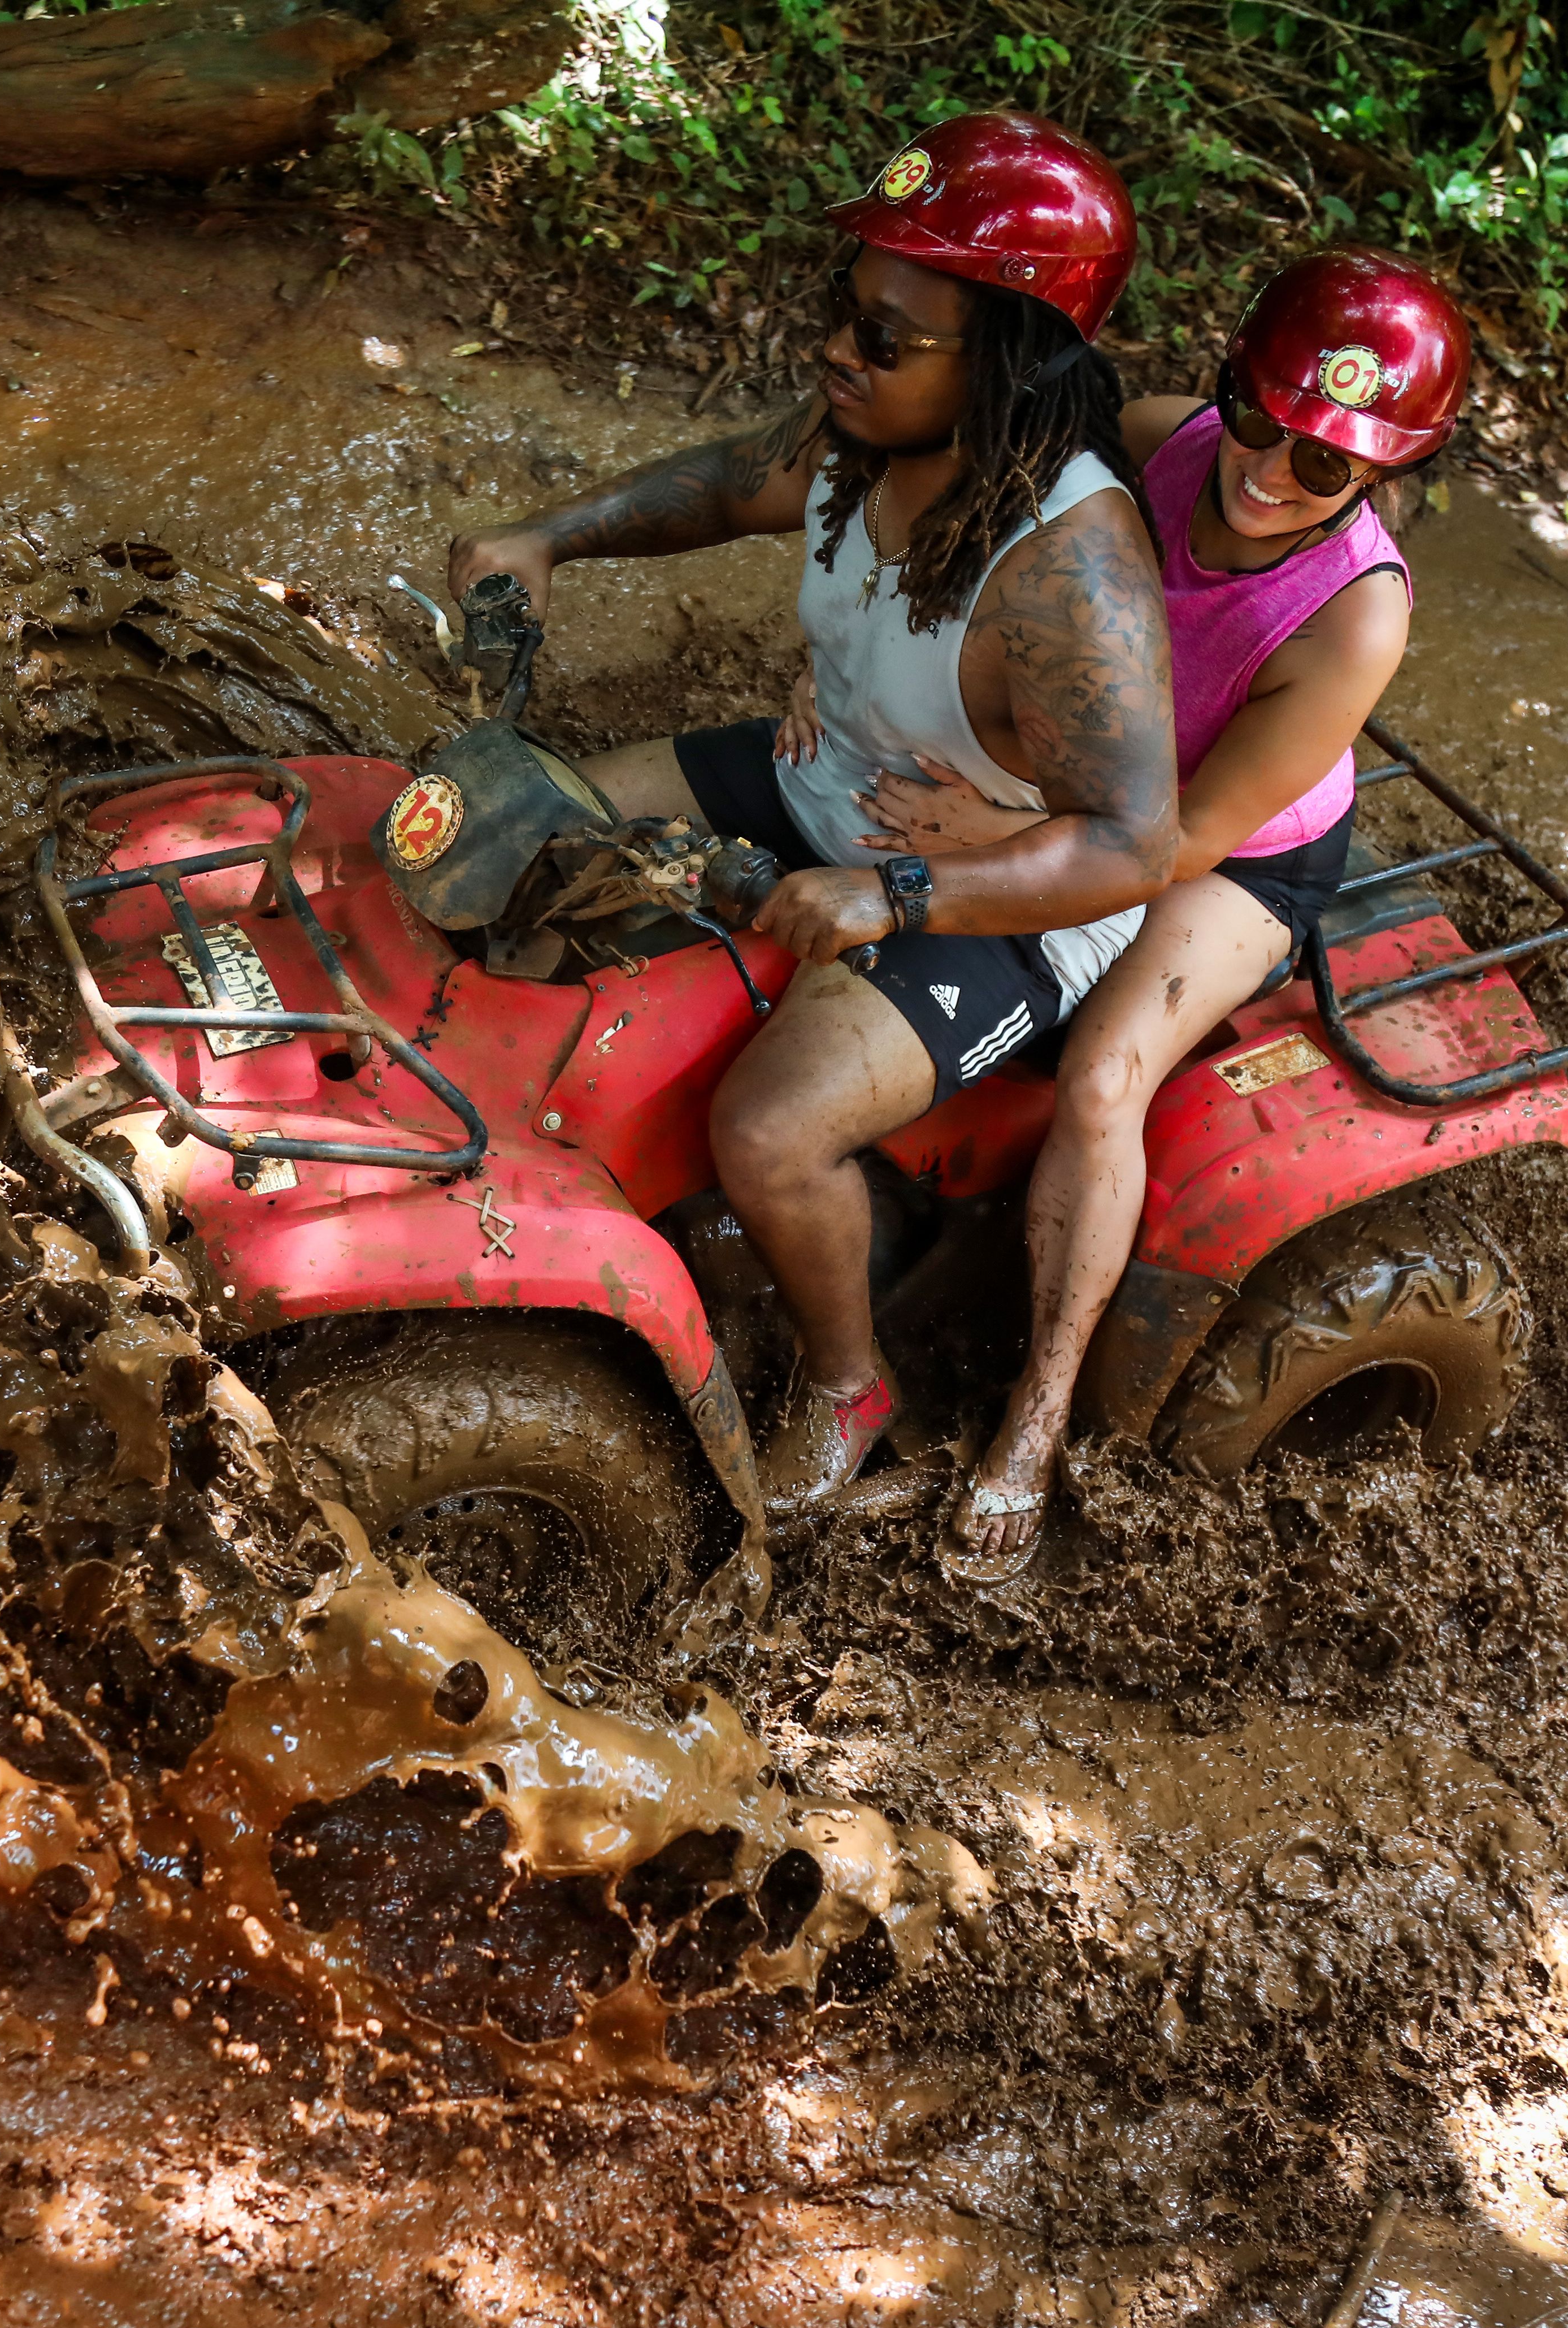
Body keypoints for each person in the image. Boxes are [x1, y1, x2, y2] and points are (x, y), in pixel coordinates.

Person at [444, 111, 1179, 1517]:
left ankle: (849, 1381)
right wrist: (547, 537)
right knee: (518, 820)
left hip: (993, 891)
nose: (841, 355)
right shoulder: (862, 434)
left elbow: (1130, 845)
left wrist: (896, 896)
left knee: (771, 1128)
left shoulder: (1069, 572)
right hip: (826, 775)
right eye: (843, 319)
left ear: (1008, 361)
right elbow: (728, 481)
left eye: (888, 340)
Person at [849, 246, 1473, 1572]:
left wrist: (1002, 835)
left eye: (1320, 464)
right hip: (1090, 767)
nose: (1264, 470)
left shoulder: (1351, 618)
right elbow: (985, 535)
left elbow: (1178, 838)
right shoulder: (1159, 443)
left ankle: (1037, 1410)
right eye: (1255, 420)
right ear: (1225, 390)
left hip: (1225, 849)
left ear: (1379, 479)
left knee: (1099, 1076)